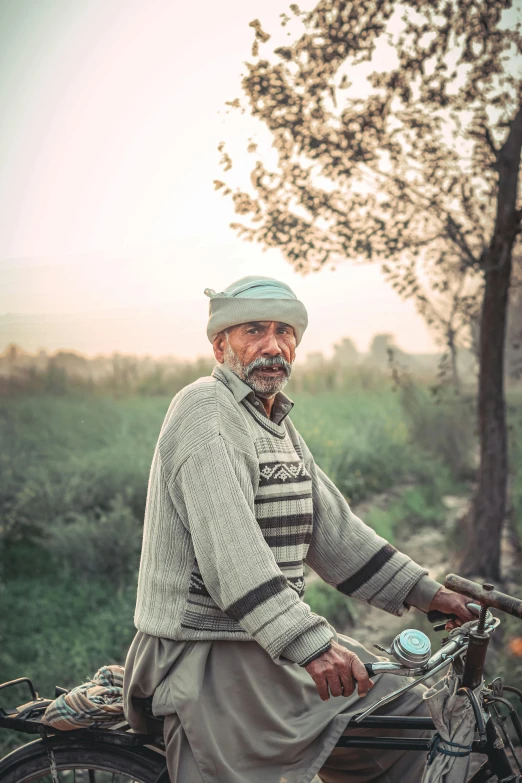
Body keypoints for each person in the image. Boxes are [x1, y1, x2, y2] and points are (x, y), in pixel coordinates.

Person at [123, 275, 475, 783]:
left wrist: (428, 593)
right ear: (220, 345)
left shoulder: (276, 422)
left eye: (285, 332)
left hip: (267, 640)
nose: (273, 346)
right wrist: (312, 644)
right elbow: (232, 558)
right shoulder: (204, 410)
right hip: (211, 651)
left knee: (410, 719)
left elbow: (335, 534)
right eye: (254, 331)